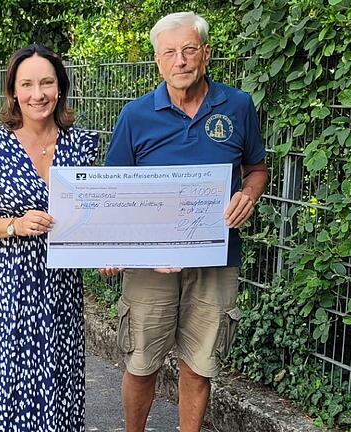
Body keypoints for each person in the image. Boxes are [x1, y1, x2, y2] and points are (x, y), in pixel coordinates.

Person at [102, 12, 269, 432]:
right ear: (158, 62)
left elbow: (257, 168)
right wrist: (113, 248)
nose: (181, 61)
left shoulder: (238, 106)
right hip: (150, 265)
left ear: (206, 54)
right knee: (142, 363)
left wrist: (248, 195)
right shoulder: (136, 115)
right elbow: (113, 191)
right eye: (170, 53)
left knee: (200, 365)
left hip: (215, 258)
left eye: (189, 50)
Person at [0, 44, 99, 431]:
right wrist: (14, 225)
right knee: (8, 384)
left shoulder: (83, 145)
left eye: (46, 83)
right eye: (27, 84)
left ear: (60, 88)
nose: (37, 94)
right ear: (13, 91)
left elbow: (95, 216)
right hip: (8, 287)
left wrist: (108, 252)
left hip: (60, 288)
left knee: (57, 380)